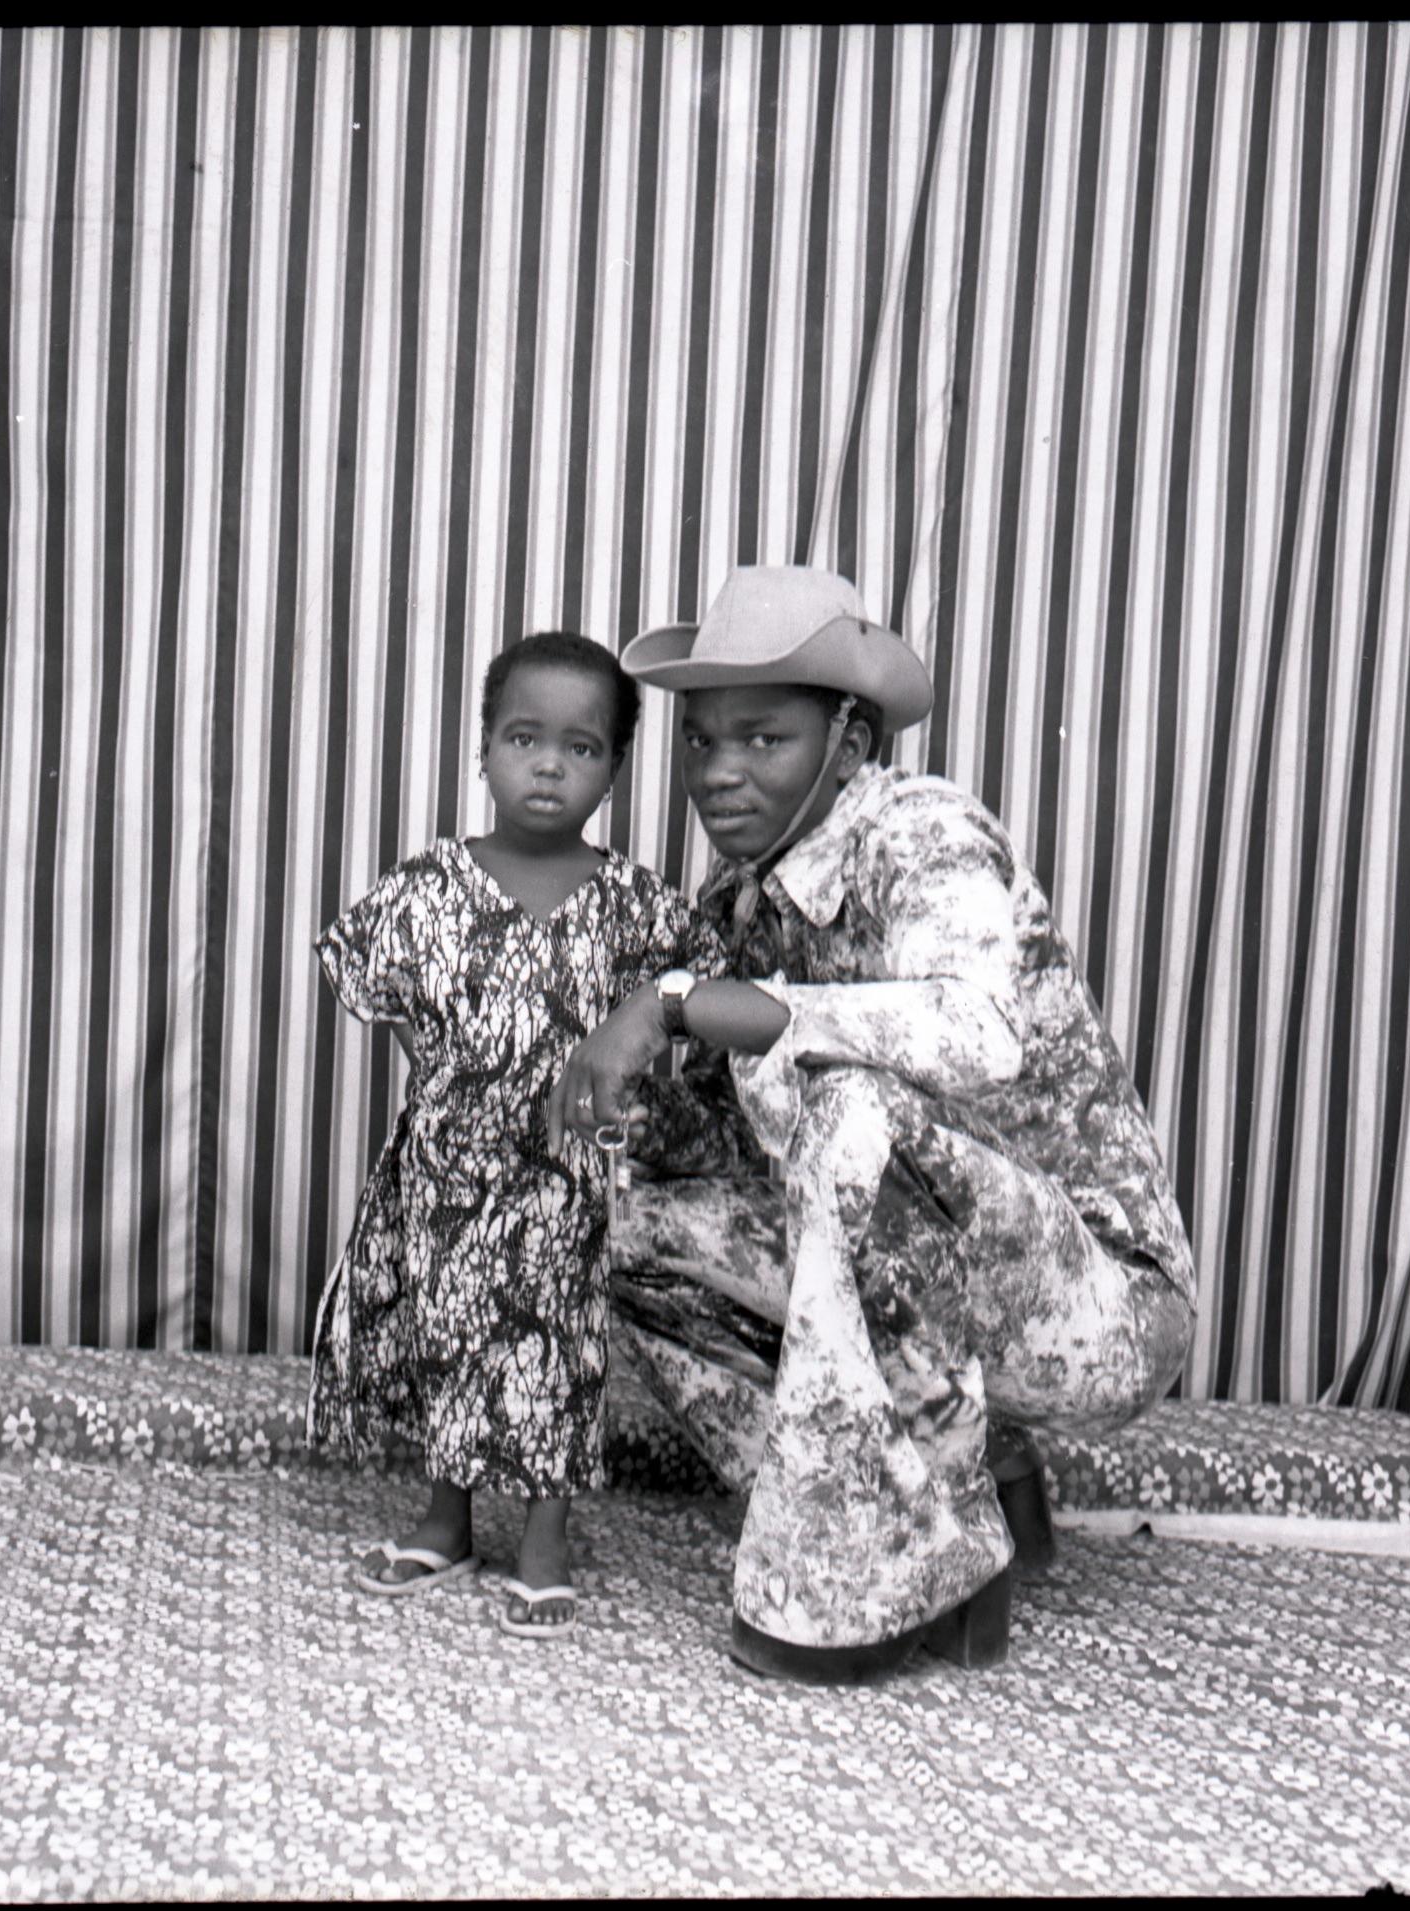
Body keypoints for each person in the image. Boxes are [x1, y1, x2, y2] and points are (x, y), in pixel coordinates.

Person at [544, 566, 1197, 1684]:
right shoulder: (739, 905)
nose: (722, 774)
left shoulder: (922, 830)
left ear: (848, 742)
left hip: (1096, 1296)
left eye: (763, 738)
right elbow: (706, 1135)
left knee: (856, 1112)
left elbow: (981, 1028)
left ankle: (860, 1577)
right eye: (703, 743)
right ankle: (950, 1491)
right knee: (600, 1220)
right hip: (932, 1286)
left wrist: (676, 1004)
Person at [309, 631, 726, 1639]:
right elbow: (375, 984)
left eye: (581, 749)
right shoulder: (429, 886)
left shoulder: (635, 906)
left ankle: (545, 1540)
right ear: (484, 749)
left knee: (559, 1352)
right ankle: (447, 1519)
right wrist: (456, 1083)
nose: (549, 765)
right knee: (449, 1334)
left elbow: (694, 995)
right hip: (450, 1172)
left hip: (568, 1179)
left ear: (617, 769)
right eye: (524, 738)